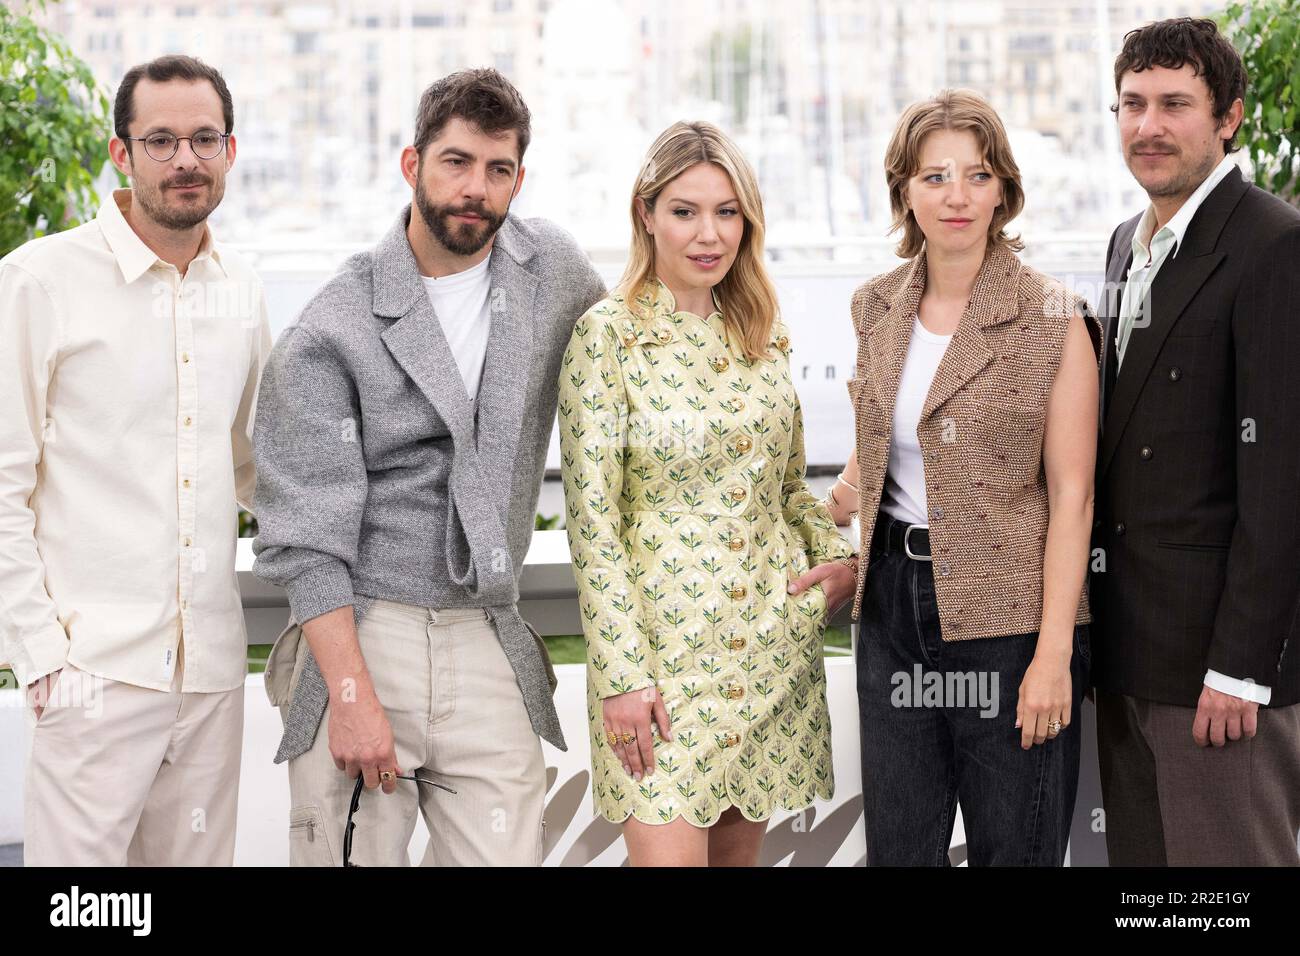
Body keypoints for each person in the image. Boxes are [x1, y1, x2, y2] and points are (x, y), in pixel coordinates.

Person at [251, 68, 605, 866]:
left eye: (497, 168)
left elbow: (634, 359)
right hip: (366, 633)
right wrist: (349, 696)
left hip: (487, 627)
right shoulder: (327, 330)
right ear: (411, 166)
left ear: (519, 177)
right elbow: (306, 545)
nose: (474, 188)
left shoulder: (552, 269)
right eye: (455, 163)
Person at [558, 121, 857, 867]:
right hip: (655, 671)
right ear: (645, 214)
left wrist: (841, 562)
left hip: (764, 651)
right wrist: (623, 677)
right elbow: (594, 525)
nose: (708, 233)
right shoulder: (607, 337)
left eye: (727, 212)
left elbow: (788, 491)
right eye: (685, 210)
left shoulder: (761, 334)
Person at [0, 55, 271, 865]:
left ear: (229, 149)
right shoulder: (39, 282)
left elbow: (258, 468)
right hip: (92, 669)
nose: (185, 159)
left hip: (211, 671)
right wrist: (41, 654)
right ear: (120, 153)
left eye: (203, 138)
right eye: (160, 141)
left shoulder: (242, 291)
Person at [847, 89, 1101, 865]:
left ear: (1004, 191)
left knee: (1015, 851)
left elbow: (1074, 498)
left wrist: (1054, 653)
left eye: (977, 174)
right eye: (933, 177)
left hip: (1012, 625)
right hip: (891, 610)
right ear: (904, 193)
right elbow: (872, 464)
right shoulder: (874, 308)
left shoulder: (1053, 318)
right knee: (900, 851)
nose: (957, 194)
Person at [1092, 17, 1300, 866]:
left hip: (1220, 674)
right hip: (1129, 652)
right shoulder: (1123, 245)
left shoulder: (1275, 246)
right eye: (1133, 104)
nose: (1149, 126)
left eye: (1175, 103)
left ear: (1229, 119)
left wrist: (1242, 669)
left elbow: (1283, 476)